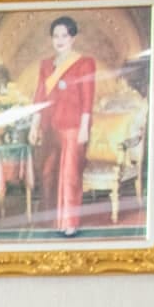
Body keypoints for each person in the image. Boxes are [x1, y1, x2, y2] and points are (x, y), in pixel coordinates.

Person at [31, 15, 96, 236]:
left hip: (73, 127)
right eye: (56, 36)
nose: (59, 40)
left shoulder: (85, 63)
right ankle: (52, 221)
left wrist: (84, 127)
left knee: (69, 176)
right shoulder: (46, 65)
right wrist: (34, 125)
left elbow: (88, 97)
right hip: (50, 126)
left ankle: (69, 223)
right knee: (48, 173)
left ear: (72, 38)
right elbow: (40, 96)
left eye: (64, 36)